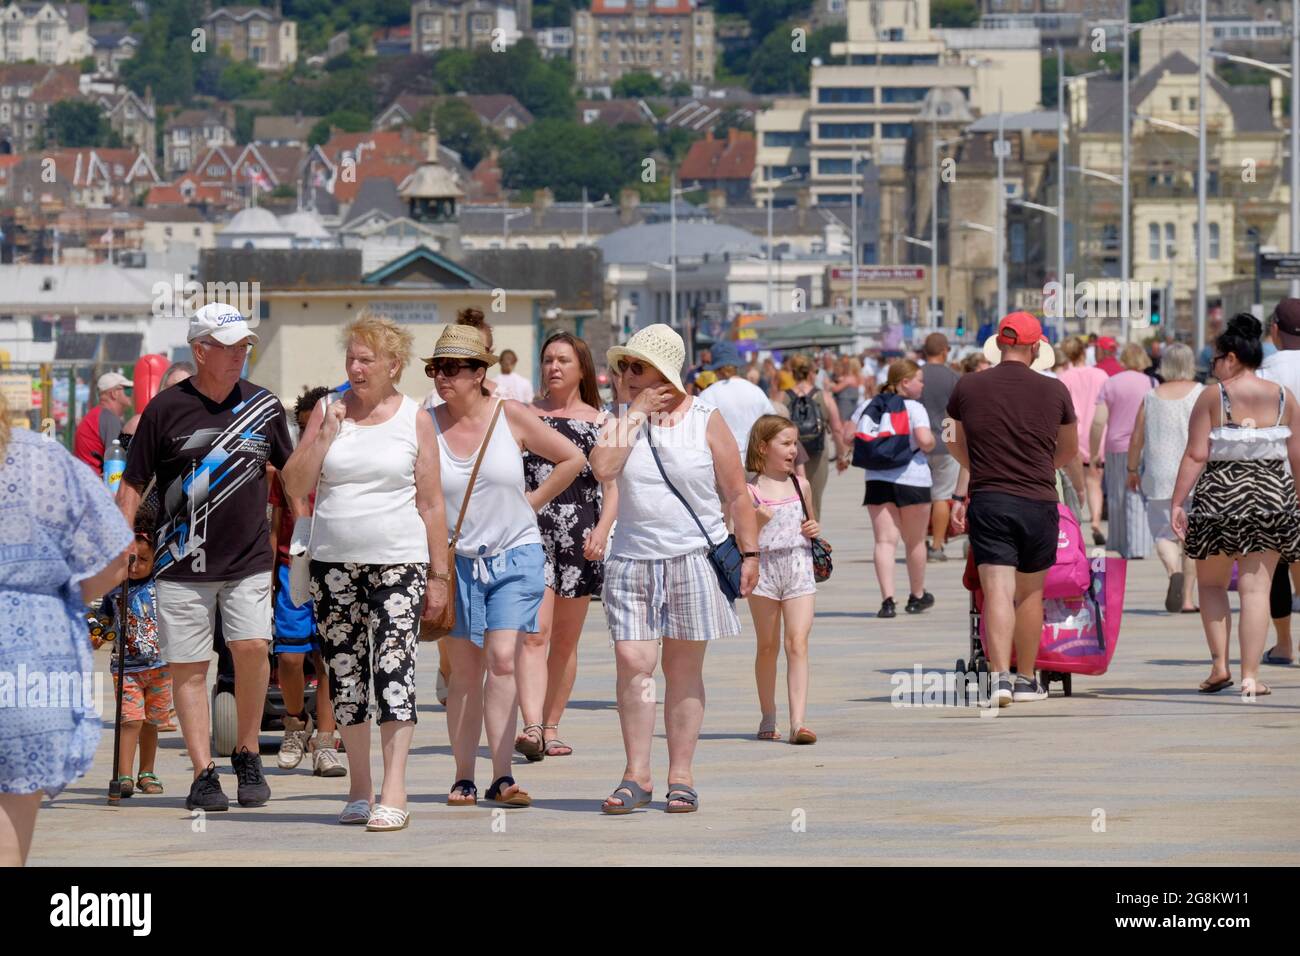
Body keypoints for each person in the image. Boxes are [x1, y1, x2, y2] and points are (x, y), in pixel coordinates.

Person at [117, 302, 293, 812]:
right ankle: (203, 773)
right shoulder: (165, 409)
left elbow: (292, 474)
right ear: (200, 350)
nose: (241, 353)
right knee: (189, 668)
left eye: (244, 346)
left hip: (249, 558)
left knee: (254, 647)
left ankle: (247, 752)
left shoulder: (264, 406)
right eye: (230, 345)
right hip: (180, 561)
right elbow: (132, 483)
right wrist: (122, 539)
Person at [282, 314, 450, 830]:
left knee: (394, 672)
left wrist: (440, 576)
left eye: (366, 359)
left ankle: (394, 790)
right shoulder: (329, 413)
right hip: (333, 562)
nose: (355, 367)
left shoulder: (415, 417)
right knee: (347, 674)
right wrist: (323, 437)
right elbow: (294, 483)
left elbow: (431, 502)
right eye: (350, 357)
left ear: (393, 366)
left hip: (399, 560)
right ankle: (360, 787)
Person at [590, 324, 759, 814]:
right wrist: (635, 413)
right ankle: (635, 774)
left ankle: (680, 774)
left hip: (692, 558)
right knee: (633, 663)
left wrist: (750, 553)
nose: (627, 375)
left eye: (637, 367)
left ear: (664, 373)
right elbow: (603, 468)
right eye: (624, 366)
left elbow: (735, 493)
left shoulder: (705, 419)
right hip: (632, 559)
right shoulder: (618, 420)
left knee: (683, 671)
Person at [425, 323, 585, 809]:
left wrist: (530, 501)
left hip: (515, 555)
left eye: (453, 369)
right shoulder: (425, 423)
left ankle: (502, 774)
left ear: (479, 373)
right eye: (436, 369)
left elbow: (572, 459)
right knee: (464, 673)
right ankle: (463, 776)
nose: (442, 378)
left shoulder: (509, 416)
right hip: (458, 565)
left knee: (501, 658)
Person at [0, 391, 132, 866]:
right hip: (34, 654)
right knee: (8, 831)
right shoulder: (42, 458)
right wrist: (66, 595)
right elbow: (118, 554)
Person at [948, 312, 1077, 707]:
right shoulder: (1055, 391)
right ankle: (1025, 679)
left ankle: (999, 678)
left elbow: (951, 438)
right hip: (1038, 499)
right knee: (1030, 594)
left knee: (997, 592)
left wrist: (977, 464)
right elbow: (1070, 451)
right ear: (1036, 347)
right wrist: (1038, 466)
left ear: (999, 344)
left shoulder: (968, 386)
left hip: (989, 498)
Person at [1173, 314, 1300, 698]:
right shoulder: (1283, 397)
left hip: (1219, 499)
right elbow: (1296, 456)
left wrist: (1179, 501)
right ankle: (1250, 676)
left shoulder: (1215, 396)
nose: (1213, 367)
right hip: (1272, 499)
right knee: (1256, 591)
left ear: (1230, 358)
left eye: (1214, 359)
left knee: (1211, 585)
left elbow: (1196, 454)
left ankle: (1218, 667)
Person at [514, 331, 618, 760]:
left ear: (582, 369)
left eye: (563, 360)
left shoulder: (602, 420)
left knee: (566, 641)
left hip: (581, 534)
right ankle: (532, 726)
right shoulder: (522, 415)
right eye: (548, 359)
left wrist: (602, 530)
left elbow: (612, 487)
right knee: (534, 634)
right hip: (529, 530)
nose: (553, 367)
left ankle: (553, 724)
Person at [269, 386, 344, 777]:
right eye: (303, 426)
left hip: (333, 562)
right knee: (290, 657)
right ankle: (296, 724)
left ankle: (326, 742)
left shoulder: (343, 464)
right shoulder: (289, 467)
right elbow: (274, 524)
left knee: (329, 658)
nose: (311, 432)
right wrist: (268, 576)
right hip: (290, 566)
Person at [88, 501, 171, 798]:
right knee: (129, 719)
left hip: (161, 666)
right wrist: (97, 632)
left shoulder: (163, 584)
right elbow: (104, 618)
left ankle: (146, 771)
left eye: (143, 560)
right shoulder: (116, 586)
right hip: (127, 667)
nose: (134, 568)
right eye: (130, 561)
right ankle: (123, 774)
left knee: (151, 721)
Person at [745, 415, 819, 745]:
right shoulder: (749, 491)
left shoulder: (801, 486)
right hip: (764, 570)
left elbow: (812, 522)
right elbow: (737, 539)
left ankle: (798, 722)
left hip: (799, 565)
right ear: (763, 447)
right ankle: (768, 714)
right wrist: (757, 523)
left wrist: (814, 528)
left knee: (797, 643)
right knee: (768, 646)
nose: (793, 450)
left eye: (794, 443)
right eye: (785, 444)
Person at [845, 359, 936, 618]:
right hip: (913, 480)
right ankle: (917, 596)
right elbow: (924, 440)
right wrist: (930, 444)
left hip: (877, 479)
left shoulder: (868, 405)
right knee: (915, 541)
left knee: (884, 542)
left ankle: (887, 600)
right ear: (905, 382)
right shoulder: (914, 408)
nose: (922, 384)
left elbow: (847, 436)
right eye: (919, 379)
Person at [1126, 344, 1202, 613]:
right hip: (1193, 473)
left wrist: (1132, 469)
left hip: (1158, 473)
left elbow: (1136, 437)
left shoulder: (1151, 396)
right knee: (1190, 538)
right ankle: (1189, 599)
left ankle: (1173, 573)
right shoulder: (1201, 393)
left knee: (1162, 533)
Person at [1258, 298, 1300, 664]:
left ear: (1274, 331)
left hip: (1276, 479)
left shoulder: (1264, 373)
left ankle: (1285, 643)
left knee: (1277, 565)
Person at [1092, 343, 1155, 558]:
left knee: (1117, 495)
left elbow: (1099, 421)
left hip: (1116, 446)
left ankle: (1119, 543)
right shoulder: (1151, 383)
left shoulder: (1111, 383)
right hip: (1145, 446)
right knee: (1139, 494)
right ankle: (1139, 544)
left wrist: (1094, 451)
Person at [1056, 336, 1110, 546]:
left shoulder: (1063, 377)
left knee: (1072, 483)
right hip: (1097, 431)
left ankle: (1074, 522)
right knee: (1094, 481)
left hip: (1073, 432)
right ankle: (1096, 520)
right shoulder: (1100, 374)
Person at [778, 354, 845, 519]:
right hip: (817, 454)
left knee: (788, 498)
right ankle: (813, 537)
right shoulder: (825, 397)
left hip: (788, 455)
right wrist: (842, 455)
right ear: (810, 374)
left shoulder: (782, 397)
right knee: (813, 499)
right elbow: (837, 429)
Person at [697, 339, 775, 462]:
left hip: (723, 464)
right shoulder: (756, 392)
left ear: (716, 369)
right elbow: (773, 426)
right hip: (756, 461)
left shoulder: (707, 395)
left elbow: (699, 435)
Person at [919, 333, 960, 562]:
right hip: (947, 442)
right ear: (945, 350)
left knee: (921, 496)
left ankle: (918, 542)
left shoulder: (916, 376)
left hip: (919, 443)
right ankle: (936, 547)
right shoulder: (954, 377)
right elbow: (958, 414)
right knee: (942, 496)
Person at [74, 371, 132, 475]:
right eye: (127, 390)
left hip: (86, 480)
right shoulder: (109, 418)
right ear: (114, 393)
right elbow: (115, 464)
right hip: (95, 484)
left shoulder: (97, 414)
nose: (131, 394)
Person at [829, 356, 863, 423]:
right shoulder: (860, 377)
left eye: (847, 364)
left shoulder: (849, 378)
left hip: (847, 407)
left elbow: (835, 389)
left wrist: (829, 384)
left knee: (846, 424)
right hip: (858, 404)